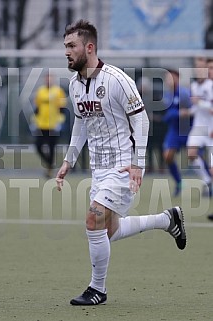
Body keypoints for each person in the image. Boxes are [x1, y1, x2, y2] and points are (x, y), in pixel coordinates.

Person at [56, 19, 186, 306]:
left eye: (71, 46)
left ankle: (97, 290)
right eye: (65, 46)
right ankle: (168, 219)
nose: (66, 51)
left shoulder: (116, 80)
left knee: (93, 219)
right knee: (108, 231)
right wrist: (68, 160)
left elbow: (140, 119)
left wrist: (139, 164)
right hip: (99, 168)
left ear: (89, 47)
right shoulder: (75, 83)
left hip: (122, 165)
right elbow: (80, 124)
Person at [183, 57, 213, 198]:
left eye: (202, 68)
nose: (200, 70)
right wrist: (188, 111)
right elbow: (196, 107)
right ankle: (206, 181)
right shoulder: (194, 86)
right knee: (191, 153)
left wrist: (200, 102)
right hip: (199, 127)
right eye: (197, 67)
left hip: (211, 129)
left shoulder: (210, 86)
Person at [162, 69, 192, 196]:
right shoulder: (167, 95)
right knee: (168, 156)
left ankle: (208, 182)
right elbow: (167, 115)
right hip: (174, 130)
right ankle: (179, 182)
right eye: (167, 78)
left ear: (177, 78)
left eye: (171, 77)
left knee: (195, 156)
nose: (168, 80)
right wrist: (179, 113)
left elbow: (192, 110)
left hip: (188, 129)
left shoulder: (185, 93)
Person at [32, 72, 67, 178]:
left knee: (52, 147)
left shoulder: (58, 91)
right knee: (38, 145)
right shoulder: (40, 91)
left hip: (53, 124)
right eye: (47, 79)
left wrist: (60, 122)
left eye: (50, 79)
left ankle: (49, 170)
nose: (48, 81)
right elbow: (37, 108)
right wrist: (34, 121)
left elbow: (62, 109)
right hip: (41, 124)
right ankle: (50, 164)